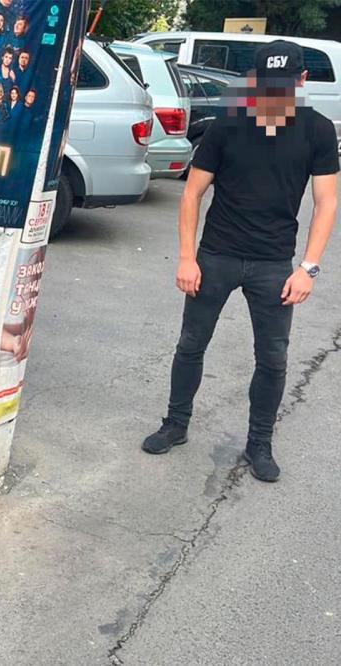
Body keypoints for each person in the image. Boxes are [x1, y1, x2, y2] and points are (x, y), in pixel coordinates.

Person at [141, 41, 339, 483]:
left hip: (274, 263)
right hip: (216, 256)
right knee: (191, 345)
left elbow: (327, 202)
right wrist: (187, 258)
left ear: (301, 81)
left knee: (273, 358)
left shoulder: (318, 130)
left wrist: (308, 268)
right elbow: (192, 193)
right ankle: (176, 424)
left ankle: (259, 443)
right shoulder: (227, 125)